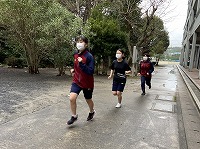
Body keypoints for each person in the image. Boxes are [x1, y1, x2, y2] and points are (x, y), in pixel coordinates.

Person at [67, 36, 95, 125]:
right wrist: (73, 70)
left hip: (87, 83)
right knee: (72, 98)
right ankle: (74, 116)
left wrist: (81, 64)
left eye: (81, 42)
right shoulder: (75, 54)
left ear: (86, 44)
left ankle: (92, 111)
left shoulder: (89, 56)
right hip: (77, 81)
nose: (79, 43)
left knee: (88, 99)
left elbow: (90, 71)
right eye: (78, 41)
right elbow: (76, 65)